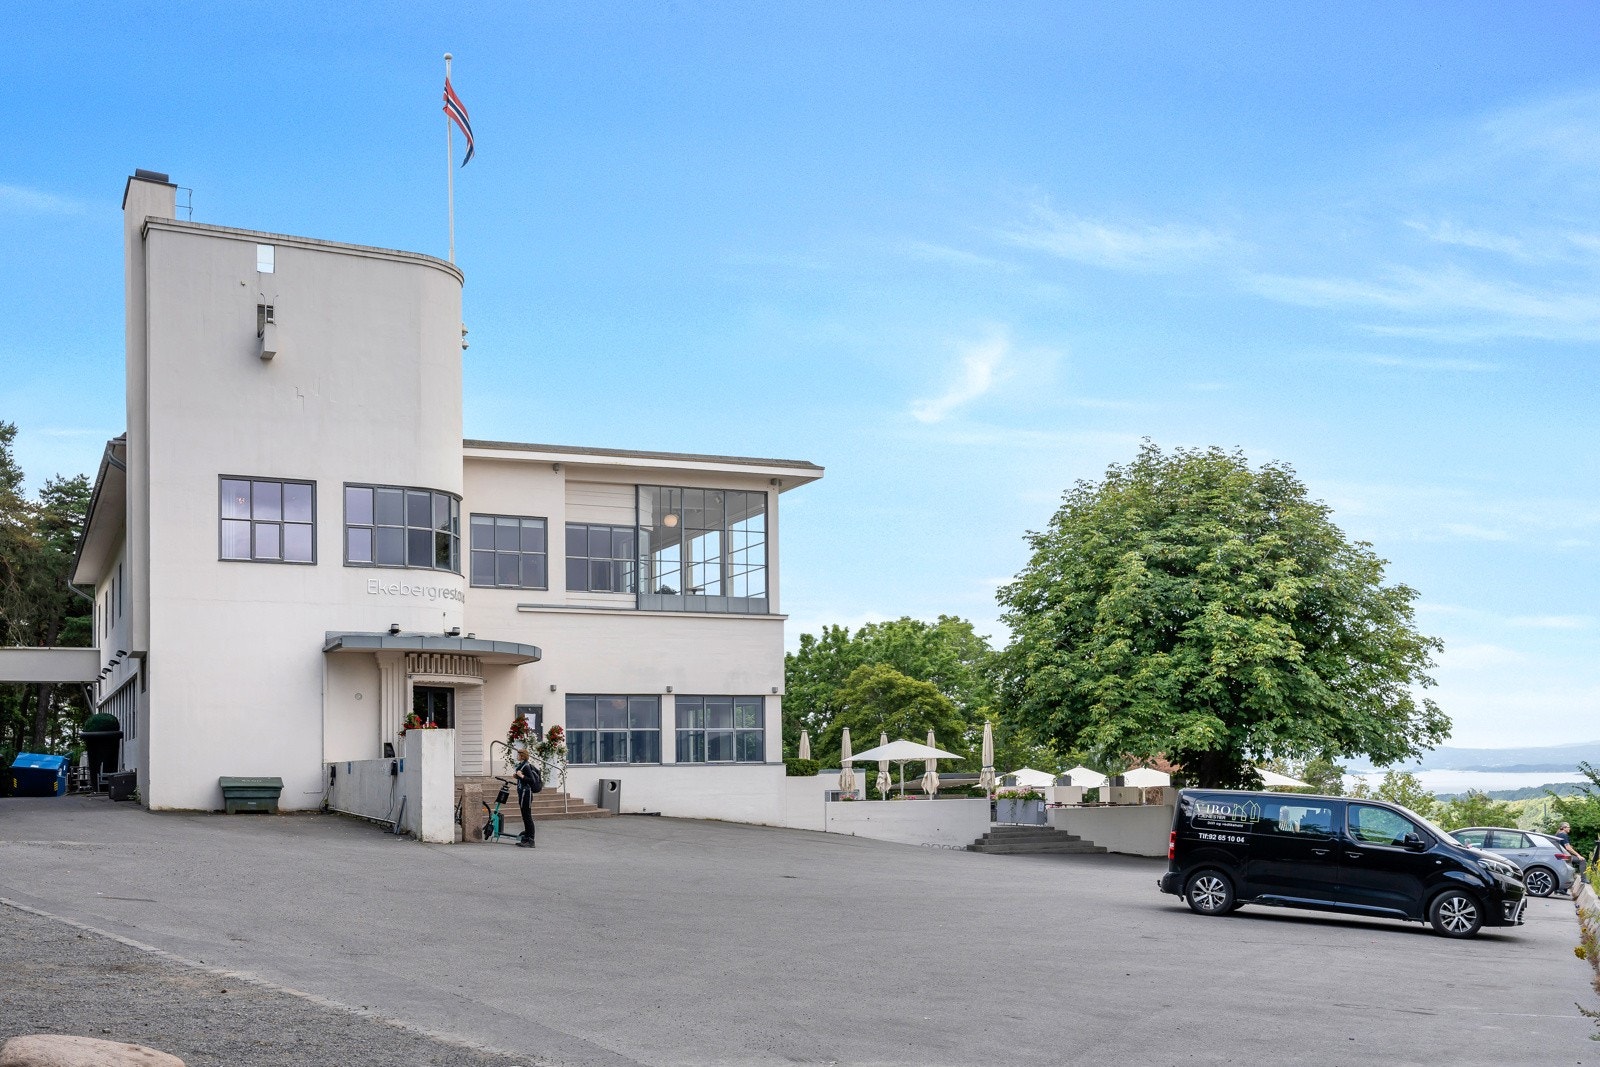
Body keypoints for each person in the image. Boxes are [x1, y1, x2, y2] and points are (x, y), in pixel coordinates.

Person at [512, 745, 540, 849]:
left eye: (518, 755)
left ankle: (531, 839)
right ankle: (526, 837)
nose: (517, 756)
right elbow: (523, 778)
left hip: (526, 794)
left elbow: (531, 780)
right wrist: (517, 776)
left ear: (522, 756)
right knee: (525, 816)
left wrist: (521, 776)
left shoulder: (526, 766)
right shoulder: (522, 766)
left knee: (527, 816)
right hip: (522, 793)